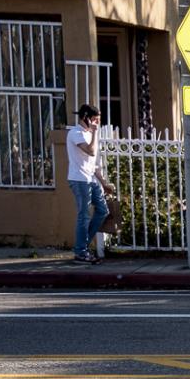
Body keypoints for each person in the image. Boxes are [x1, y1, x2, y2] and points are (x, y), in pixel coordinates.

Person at [68, 104, 115, 264]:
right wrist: (94, 133)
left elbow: (93, 164)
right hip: (79, 179)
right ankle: (81, 252)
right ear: (85, 117)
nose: (96, 123)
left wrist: (103, 183)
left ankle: (82, 246)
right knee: (84, 215)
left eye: (98, 120)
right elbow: (91, 151)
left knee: (102, 210)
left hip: (90, 179)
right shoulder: (75, 133)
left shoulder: (88, 134)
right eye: (94, 119)